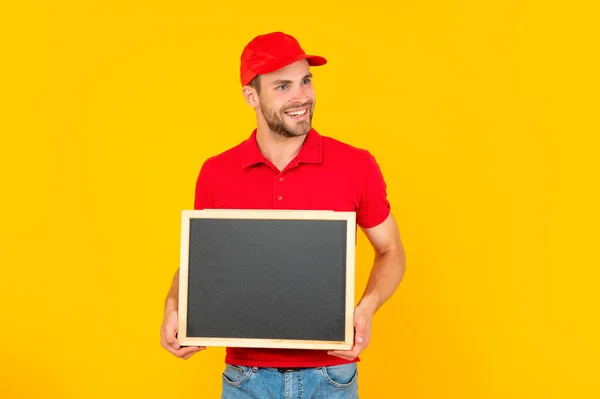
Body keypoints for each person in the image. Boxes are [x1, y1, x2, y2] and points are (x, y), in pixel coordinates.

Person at [160, 31, 406, 398]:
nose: (301, 96)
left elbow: (391, 251)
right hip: (247, 378)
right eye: (283, 86)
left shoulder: (355, 165)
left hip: (332, 376)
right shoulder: (216, 172)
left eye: (306, 81)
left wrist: (367, 308)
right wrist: (173, 306)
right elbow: (200, 261)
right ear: (251, 96)